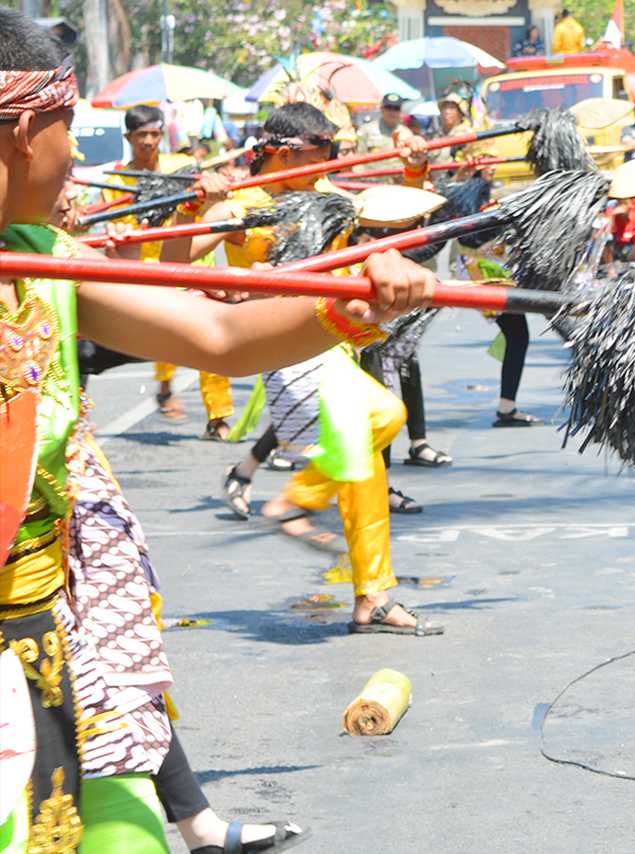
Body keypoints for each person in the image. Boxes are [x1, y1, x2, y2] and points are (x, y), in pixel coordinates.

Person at [0, 9, 432, 842]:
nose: (74, 159)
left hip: (34, 643)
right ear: (24, 132)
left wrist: (351, 310)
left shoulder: (43, 259)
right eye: (69, 130)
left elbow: (219, 336)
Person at [166, 103, 437, 633]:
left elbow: (397, 231)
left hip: (337, 347)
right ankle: (293, 502)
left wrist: (413, 171)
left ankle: (372, 597)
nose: (335, 161)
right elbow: (175, 262)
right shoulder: (245, 205)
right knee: (383, 415)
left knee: (366, 472)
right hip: (284, 351)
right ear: (289, 153)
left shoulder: (332, 202)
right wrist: (191, 211)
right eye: (327, 150)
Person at [103, 104, 237, 436]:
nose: (148, 141)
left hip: (195, 263)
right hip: (150, 271)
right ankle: (164, 386)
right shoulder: (118, 181)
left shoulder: (182, 168)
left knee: (212, 341)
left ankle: (218, 416)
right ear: (128, 137)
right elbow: (123, 233)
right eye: (141, 135)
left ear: (162, 135)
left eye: (154, 134)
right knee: (166, 338)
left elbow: (211, 194)